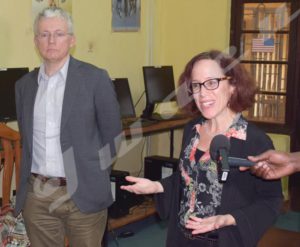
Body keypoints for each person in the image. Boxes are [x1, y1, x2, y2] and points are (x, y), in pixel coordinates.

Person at [121, 50, 283, 247]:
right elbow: (188, 179)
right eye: (196, 85)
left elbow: (271, 200)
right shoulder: (192, 129)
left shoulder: (255, 141)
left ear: (232, 85)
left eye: (212, 82)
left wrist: (230, 218)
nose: (203, 93)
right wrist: (156, 186)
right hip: (181, 238)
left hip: (224, 240)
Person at [14, 7, 122, 247]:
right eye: (44, 34)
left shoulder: (95, 79)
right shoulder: (24, 87)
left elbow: (113, 137)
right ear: (36, 41)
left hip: (83, 193)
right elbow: (27, 139)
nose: (51, 40)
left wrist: (93, 173)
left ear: (71, 40)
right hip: (38, 196)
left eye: (59, 33)